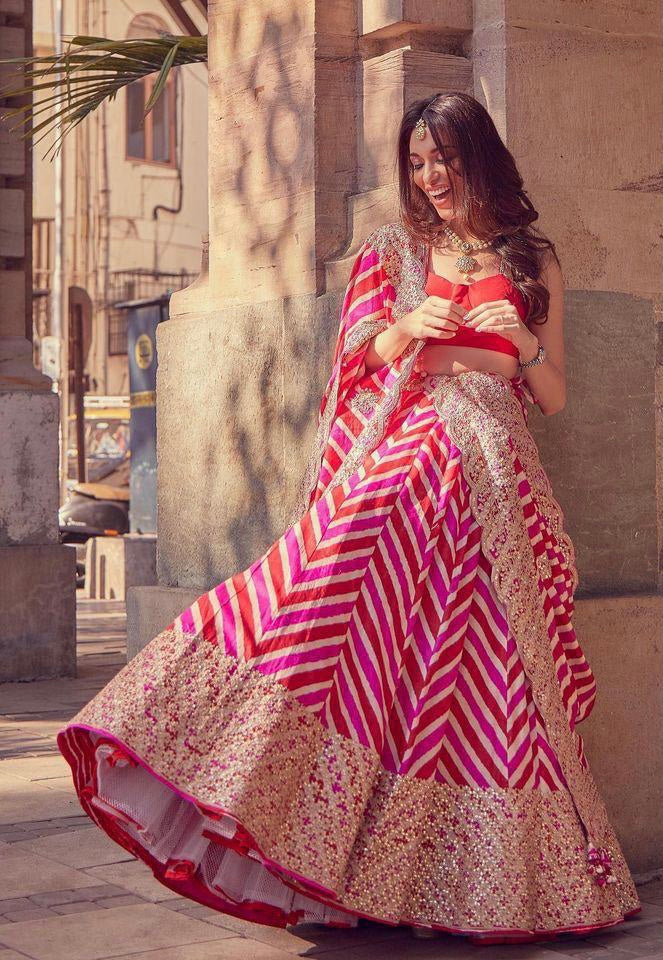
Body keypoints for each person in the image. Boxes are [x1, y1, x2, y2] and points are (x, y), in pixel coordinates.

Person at [57, 92, 641, 945]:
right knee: (320, 596)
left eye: (443, 157)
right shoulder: (394, 252)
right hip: (403, 475)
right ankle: (199, 736)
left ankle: (490, 887)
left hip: (501, 497)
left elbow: (550, 394)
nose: (431, 176)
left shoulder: (530, 260)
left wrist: (517, 344)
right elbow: (359, 358)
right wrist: (407, 327)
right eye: (415, 162)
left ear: (480, 156)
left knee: (482, 683)